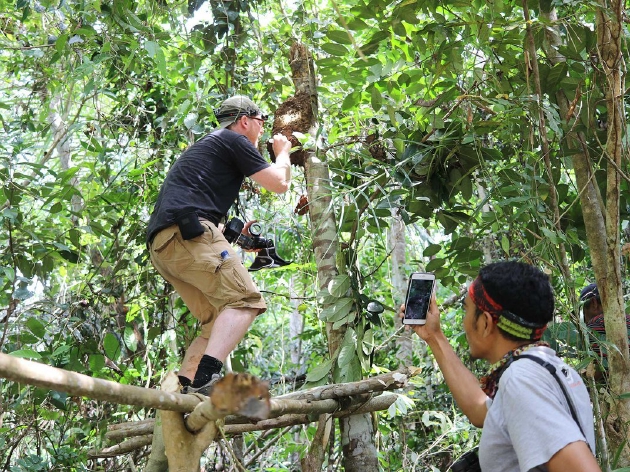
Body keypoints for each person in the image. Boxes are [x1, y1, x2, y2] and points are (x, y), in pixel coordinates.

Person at [146, 95, 293, 394]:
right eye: (261, 121)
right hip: (186, 233)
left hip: (165, 245)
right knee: (245, 300)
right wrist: (284, 152)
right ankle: (206, 380)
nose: (263, 128)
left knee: (214, 321)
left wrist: (236, 236)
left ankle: (184, 392)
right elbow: (280, 183)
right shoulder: (232, 139)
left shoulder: (210, 146)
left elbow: (193, 203)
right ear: (244, 121)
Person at [401, 261, 600, 472]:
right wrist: (434, 336)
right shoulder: (550, 367)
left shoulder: (521, 379)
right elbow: (479, 410)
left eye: (466, 311)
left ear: (485, 323)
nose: (464, 323)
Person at [580, 282, 630, 361]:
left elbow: (600, 369)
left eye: (583, 312)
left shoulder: (596, 323)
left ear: (594, 303)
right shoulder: (627, 318)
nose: (584, 321)